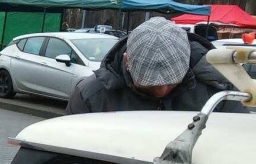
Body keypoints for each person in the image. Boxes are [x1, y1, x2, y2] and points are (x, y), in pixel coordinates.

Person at [66, 17, 248, 114]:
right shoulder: (91, 96)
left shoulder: (219, 90)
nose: (161, 91)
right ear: (127, 61)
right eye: (148, 85)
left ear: (188, 62)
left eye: (172, 82)